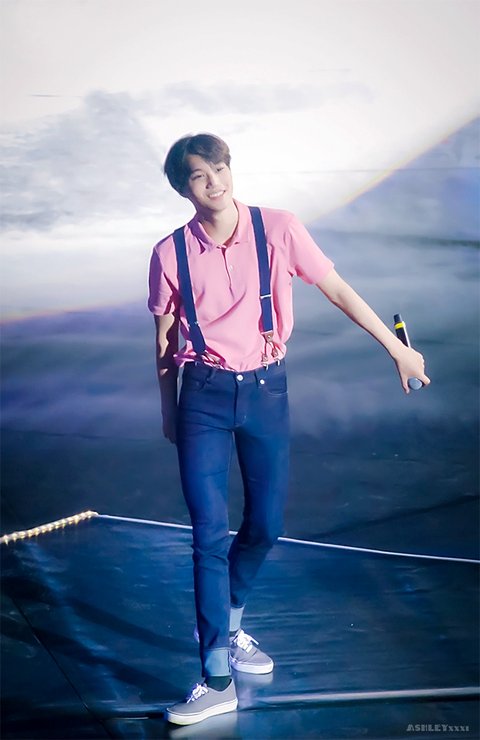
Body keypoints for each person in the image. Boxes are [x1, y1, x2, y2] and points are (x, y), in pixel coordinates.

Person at [148, 133, 430, 726]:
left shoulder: (278, 227)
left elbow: (337, 289)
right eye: (199, 175)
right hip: (202, 396)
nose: (214, 182)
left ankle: (230, 623)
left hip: (266, 392)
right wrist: (169, 408)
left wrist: (396, 349)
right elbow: (166, 339)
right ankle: (215, 679)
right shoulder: (170, 252)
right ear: (183, 188)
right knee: (207, 536)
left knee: (266, 526)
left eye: (219, 169)